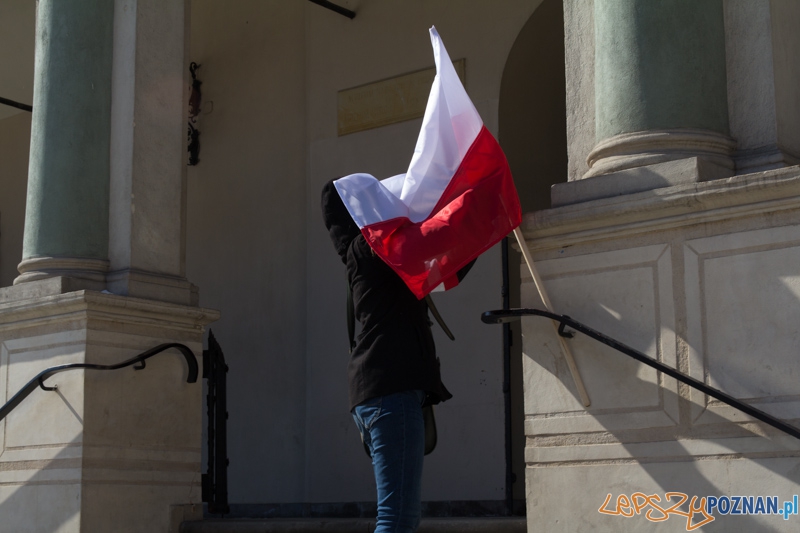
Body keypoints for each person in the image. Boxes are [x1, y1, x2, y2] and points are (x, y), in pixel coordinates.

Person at [321, 180, 452, 533]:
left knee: (400, 517)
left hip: (385, 393)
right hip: (390, 394)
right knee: (397, 519)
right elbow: (430, 236)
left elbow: (441, 263)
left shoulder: (372, 255)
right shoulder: (370, 249)